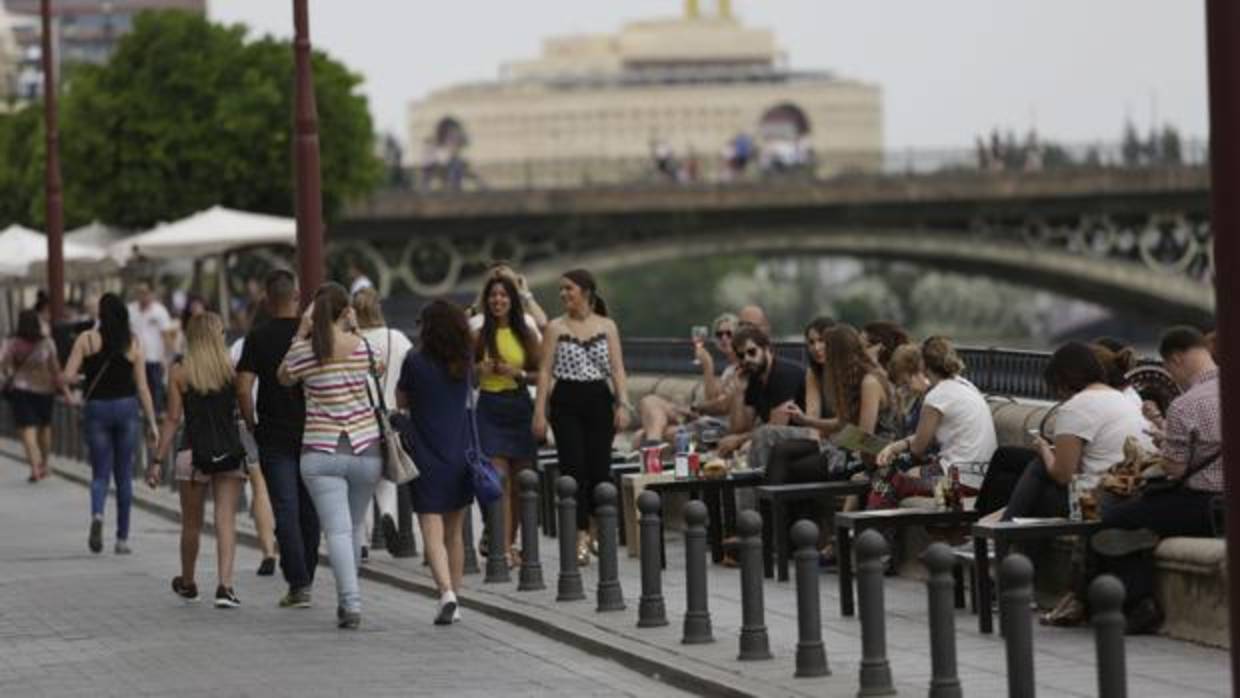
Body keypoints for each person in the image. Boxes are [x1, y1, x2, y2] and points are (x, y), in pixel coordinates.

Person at [1090, 326, 1224, 633]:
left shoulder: (1186, 404)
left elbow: (1175, 470)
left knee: (1116, 518)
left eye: (1167, 367)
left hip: (1204, 505)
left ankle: (1140, 604)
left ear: (1176, 359)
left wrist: (1166, 447)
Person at [278, 282, 383, 630]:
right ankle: (348, 599)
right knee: (353, 527)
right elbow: (379, 370)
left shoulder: (306, 351)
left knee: (335, 531)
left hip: (320, 452)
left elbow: (283, 377)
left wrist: (302, 330)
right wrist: (352, 329)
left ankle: (350, 603)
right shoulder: (363, 347)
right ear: (346, 311)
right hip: (365, 449)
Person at [148, 313, 246, 608]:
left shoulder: (179, 371)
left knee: (191, 523)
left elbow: (173, 419)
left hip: (192, 454)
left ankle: (188, 582)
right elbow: (243, 410)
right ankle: (225, 587)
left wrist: (157, 460)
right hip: (228, 451)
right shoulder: (232, 370)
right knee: (225, 519)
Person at [533, 269, 630, 567]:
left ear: (586, 292)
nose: (563, 295)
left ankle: (599, 529)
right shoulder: (555, 328)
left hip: (599, 401)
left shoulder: (607, 326)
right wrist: (539, 412)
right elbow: (545, 372)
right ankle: (579, 534)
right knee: (573, 469)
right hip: (566, 402)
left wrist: (623, 404)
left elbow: (617, 369)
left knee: (600, 468)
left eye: (569, 289)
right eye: (561, 290)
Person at [237, 269, 319, 608]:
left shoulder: (257, 336)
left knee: (284, 506)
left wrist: (250, 420)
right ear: (297, 297)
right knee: (309, 507)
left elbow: (242, 386)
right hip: (313, 429)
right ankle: (307, 575)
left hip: (273, 433)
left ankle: (298, 582)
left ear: (268, 302)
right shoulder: (313, 334)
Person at [1001, 342, 1151, 521]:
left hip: (1096, 504)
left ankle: (1001, 530)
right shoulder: (1122, 398)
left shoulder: (1076, 407)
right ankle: (1002, 528)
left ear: (1061, 382)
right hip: (1133, 498)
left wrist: (1043, 449)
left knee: (1038, 468)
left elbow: (1063, 476)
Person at [62, 293, 159, 555]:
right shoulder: (133, 343)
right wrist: (152, 421)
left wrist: (86, 377)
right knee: (124, 475)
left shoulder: (87, 339)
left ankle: (97, 515)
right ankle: (122, 539)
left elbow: (67, 377)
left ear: (100, 315)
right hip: (127, 408)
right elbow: (143, 387)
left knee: (100, 473)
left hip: (97, 409)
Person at [398, 299, 475, 624]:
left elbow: (401, 400)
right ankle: (454, 596)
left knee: (431, 528)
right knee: (455, 532)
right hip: (459, 451)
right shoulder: (464, 360)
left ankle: (445, 593)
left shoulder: (414, 361)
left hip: (424, 453)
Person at [876, 337, 998, 507]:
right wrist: (897, 446)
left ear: (924, 366)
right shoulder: (966, 386)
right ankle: (875, 529)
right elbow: (928, 437)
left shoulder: (937, 396)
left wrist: (895, 448)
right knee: (906, 476)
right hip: (983, 478)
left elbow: (918, 449)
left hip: (957, 483)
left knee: (888, 482)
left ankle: (871, 528)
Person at [472, 276, 541, 568]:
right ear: (486, 301)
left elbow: (541, 372)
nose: (497, 300)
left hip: (519, 406)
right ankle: (504, 545)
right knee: (498, 481)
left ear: (512, 300)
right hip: (490, 407)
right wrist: (480, 368)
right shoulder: (479, 336)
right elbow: (466, 376)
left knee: (522, 482)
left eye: (503, 295)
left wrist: (518, 373)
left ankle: (520, 545)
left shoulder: (525, 333)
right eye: (493, 296)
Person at [352, 286, 414, 559]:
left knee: (361, 479)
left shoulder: (349, 341)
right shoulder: (395, 338)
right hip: (390, 417)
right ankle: (388, 514)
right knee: (387, 473)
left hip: (357, 418)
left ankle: (363, 542)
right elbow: (413, 368)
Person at [635, 312, 740, 446]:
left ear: (739, 337)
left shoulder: (743, 366)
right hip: (707, 421)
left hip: (718, 427)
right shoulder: (729, 369)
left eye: (729, 334)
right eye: (719, 335)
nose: (724, 338)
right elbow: (713, 398)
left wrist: (708, 366)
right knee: (649, 401)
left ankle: (653, 445)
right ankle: (654, 445)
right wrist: (707, 367)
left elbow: (722, 406)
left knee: (640, 437)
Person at [719, 324, 807, 469]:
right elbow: (739, 428)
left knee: (748, 445)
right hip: (780, 439)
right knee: (730, 450)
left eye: (752, 352)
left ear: (766, 348)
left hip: (808, 433)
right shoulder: (755, 377)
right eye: (741, 356)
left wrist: (738, 440)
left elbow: (775, 427)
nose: (747, 359)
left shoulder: (783, 373)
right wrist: (738, 393)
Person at [2, 309, 71, 481]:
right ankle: (45, 464)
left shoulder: (13, 344)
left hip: (21, 389)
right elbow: (56, 370)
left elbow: (5, 366)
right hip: (45, 390)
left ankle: (34, 468)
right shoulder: (47, 343)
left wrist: (12, 373)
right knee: (45, 428)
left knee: (27, 430)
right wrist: (67, 393)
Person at [127, 281, 176, 415]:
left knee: (156, 390)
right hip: (135, 357)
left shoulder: (159, 311)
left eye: (145, 293)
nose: (142, 296)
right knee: (137, 389)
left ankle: (156, 418)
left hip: (155, 358)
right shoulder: (130, 310)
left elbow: (167, 336)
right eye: (139, 293)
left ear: (151, 294)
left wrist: (168, 358)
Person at [468, 262, 548, 332]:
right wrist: (481, 297)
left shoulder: (526, 318)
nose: (498, 299)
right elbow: (462, 326)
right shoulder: (479, 321)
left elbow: (542, 323)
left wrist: (525, 292)